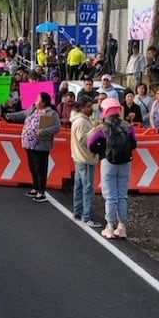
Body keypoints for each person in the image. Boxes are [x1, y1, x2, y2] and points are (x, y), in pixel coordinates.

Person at [88, 97, 138, 239]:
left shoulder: (102, 128)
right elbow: (134, 144)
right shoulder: (127, 126)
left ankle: (109, 226)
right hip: (125, 163)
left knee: (110, 196)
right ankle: (122, 227)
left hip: (108, 162)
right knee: (122, 195)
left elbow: (91, 144)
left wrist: (101, 150)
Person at [4, 92, 62, 202]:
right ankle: (35, 187)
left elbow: (57, 127)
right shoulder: (33, 109)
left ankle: (41, 191)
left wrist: (44, 131)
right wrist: (9, 116)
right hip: (29, 144)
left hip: (41, 145)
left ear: (44, 102)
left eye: (38, 99)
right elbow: (22, 114)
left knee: (40, 168)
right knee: (33, 167)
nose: (36, 100)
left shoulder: (51, 113)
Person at [70, 96, 103, 227]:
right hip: (85, 158)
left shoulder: (80, 120)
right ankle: (87, 216)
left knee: (79, 186)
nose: (91, 109)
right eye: (89, 107)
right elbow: (84, 140)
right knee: (87, 187)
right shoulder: (81, 122)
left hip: (80, 157)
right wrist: (95, 129)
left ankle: (78, 211)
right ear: (82, 108)